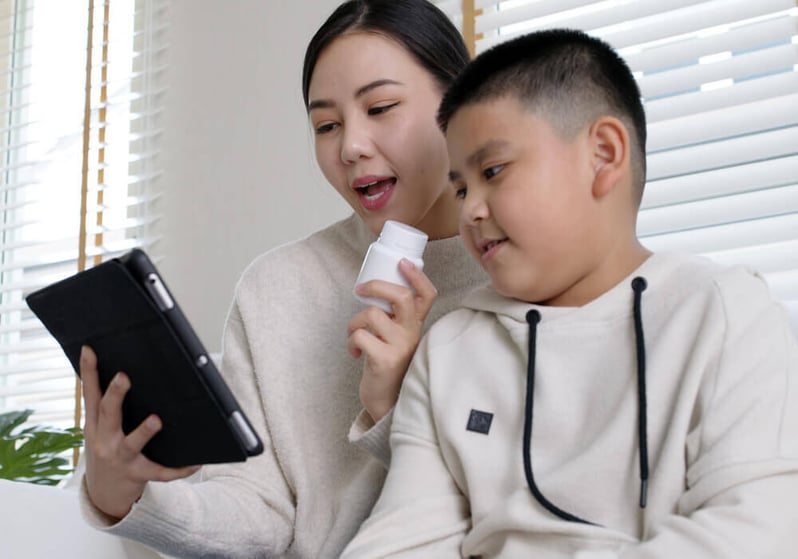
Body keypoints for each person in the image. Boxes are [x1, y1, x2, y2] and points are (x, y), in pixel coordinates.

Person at [341, 29, 798, 558]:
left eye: (493, 172)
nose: (469, 210)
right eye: (462, 187)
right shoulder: (449, 351)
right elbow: (396, 545)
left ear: (603, 155)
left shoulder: (727, 314)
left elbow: (757, 533)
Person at [77, 1, 487, 557]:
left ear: (460, 102)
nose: (351, 147)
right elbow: (260, 512)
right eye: (326, 125)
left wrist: (396, 410)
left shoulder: (523, 276)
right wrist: (124, 495)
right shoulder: (276, 287)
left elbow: (525, 507)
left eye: (382, 106)